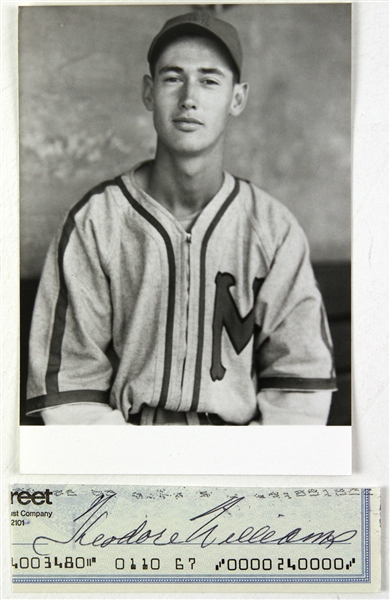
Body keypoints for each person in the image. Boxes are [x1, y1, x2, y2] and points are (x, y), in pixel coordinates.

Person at [26, 10, 337, 426]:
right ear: (149, 92)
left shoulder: (273, 230)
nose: (189, 96)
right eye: (173, 77)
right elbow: (69, 389)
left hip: (240, 461)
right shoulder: (95, 221)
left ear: (237, 98)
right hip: (125, 459)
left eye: (210, 80)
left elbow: (301, 391)